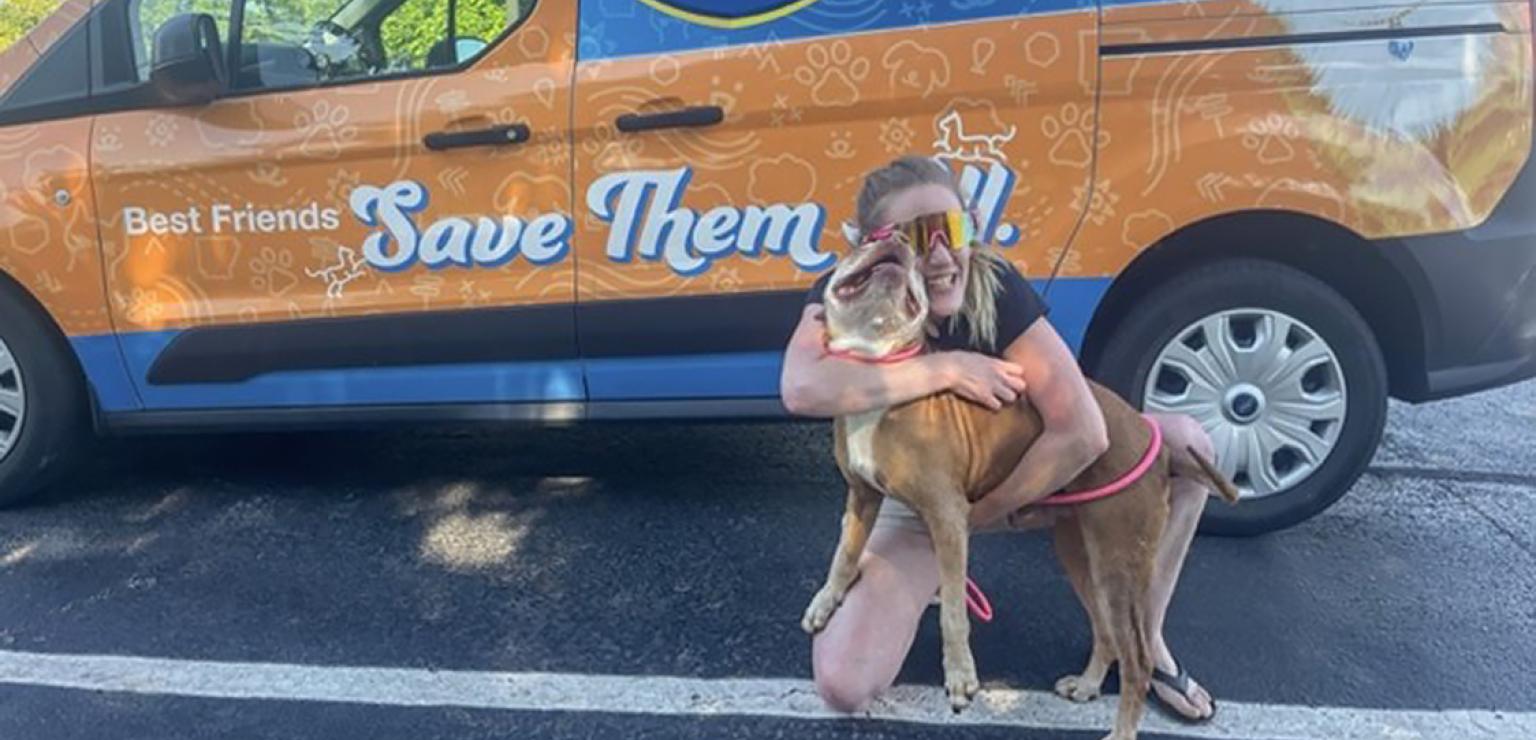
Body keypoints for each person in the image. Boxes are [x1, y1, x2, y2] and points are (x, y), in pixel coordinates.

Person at [779, 156, 1218, 722]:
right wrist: (946, 369)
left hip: (1009, 475)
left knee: (1186, 444)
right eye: (915, 237)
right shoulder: (851, 288)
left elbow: (1082, 430)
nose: (941, 256)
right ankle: (929, 580)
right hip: (914, 489)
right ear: (873, 245)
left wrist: (981, 513)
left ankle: (1146, 640)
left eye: (952, 229)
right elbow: (801, 388)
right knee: (844, 683)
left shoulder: (993, 283)